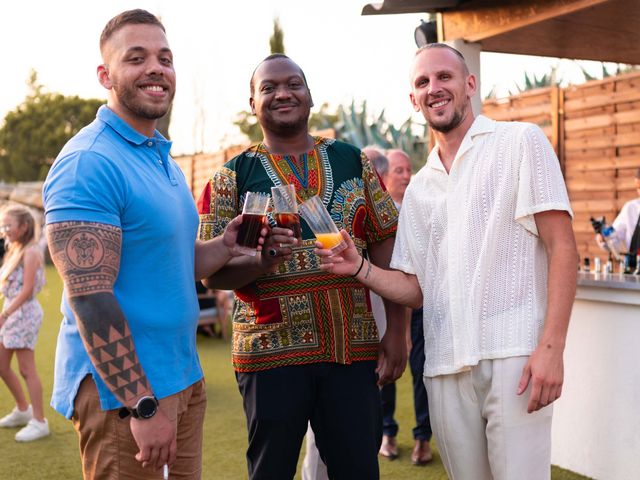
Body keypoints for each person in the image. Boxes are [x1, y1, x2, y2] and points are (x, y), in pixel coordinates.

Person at [316, 43, 578, 480]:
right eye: (423, 82)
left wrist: (552, 348)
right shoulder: (418, 188)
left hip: (514, 355)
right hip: (442, 367)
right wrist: (359, 268)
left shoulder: (521, 142)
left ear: (469, 84)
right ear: (413, 100)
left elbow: (562, 246)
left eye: (444, 77)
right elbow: (417, 288)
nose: (434, 88)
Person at [43, 9, 261, 479]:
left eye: (165, 57)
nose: (155, 68)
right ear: (105, 75)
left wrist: (223, 245)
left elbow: (175, 265)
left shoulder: (158, 155)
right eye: (136, 58)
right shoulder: (88, 162)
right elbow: (90, 297)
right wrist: (139, 405)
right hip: (126, 392)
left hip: (182, 375)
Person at [197, 54, 407, 480]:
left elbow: (388, 240)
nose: (283, 94)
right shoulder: (231, 178)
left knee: (358, 471)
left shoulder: (353, 161)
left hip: (352, 349)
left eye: (293, 84)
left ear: (310, 96)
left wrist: (398, 332)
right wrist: (263, 259)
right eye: (269, 88)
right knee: (271, 472)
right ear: (253, 102)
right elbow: (212, 274)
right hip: (269, 356)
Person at [366, 147, 433, 465]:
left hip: (422, 302)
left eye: (409, 170)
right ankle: (387, 433)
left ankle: (423, 438)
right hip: (389, 299)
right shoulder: (378, 212)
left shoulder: (420, 207)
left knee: (422, 370)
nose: (407, 176)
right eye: (399, 171)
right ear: (383, 176)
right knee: (387, 366)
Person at [0, 204, 49, 442]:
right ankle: (22, 409)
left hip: (23, 314)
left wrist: (5, 314)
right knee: (1, 364)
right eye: (3, 224)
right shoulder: (15, 249)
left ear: (24, 227)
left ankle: (39, 422)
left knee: (26, 369)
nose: (5, 229)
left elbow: (27, 290)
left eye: (9, 225)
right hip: (12, 311)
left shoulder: (30, 252)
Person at [595, 168, 640, 265]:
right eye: (638, 187)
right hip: (634, 268)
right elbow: (614, 235)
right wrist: (603, 237)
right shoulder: (630, 208)